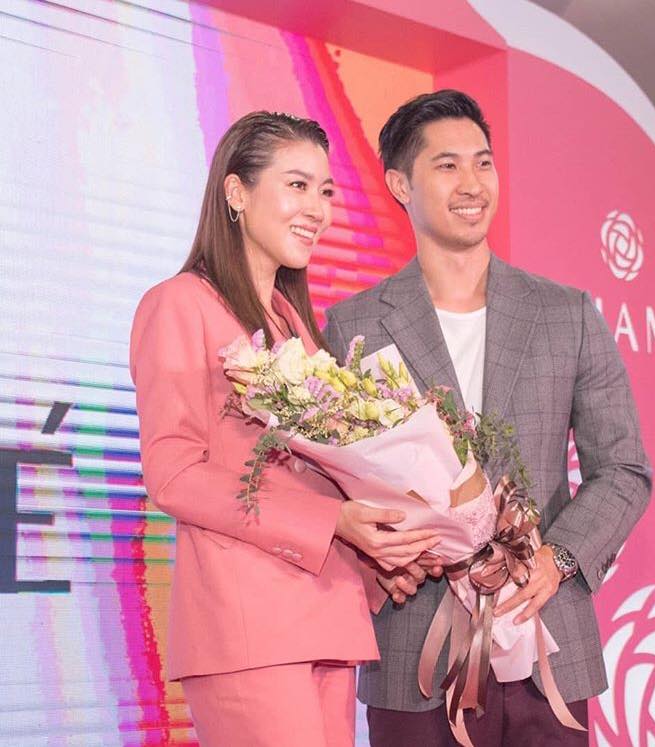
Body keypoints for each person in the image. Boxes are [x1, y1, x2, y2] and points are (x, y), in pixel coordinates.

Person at [324, 90, 653, 746]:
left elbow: (623, 468)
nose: (472, 183)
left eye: (483, 162)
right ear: (400, 184)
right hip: (416, 651)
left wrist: (558, 558)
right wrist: (382, 557)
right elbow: (333, 488)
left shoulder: (566, 314)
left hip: (545, 642)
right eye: (447, 166)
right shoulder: (353, 326)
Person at [129, 111, 441, 747]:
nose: (317, 210)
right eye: (297, 185)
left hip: (325, 614)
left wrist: (373, 554)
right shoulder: (180, 304)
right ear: (236, 192)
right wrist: (334, 523)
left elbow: (315, 476)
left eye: (325, 191)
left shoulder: (294, 325)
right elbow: (175, 474)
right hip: (247, 624)